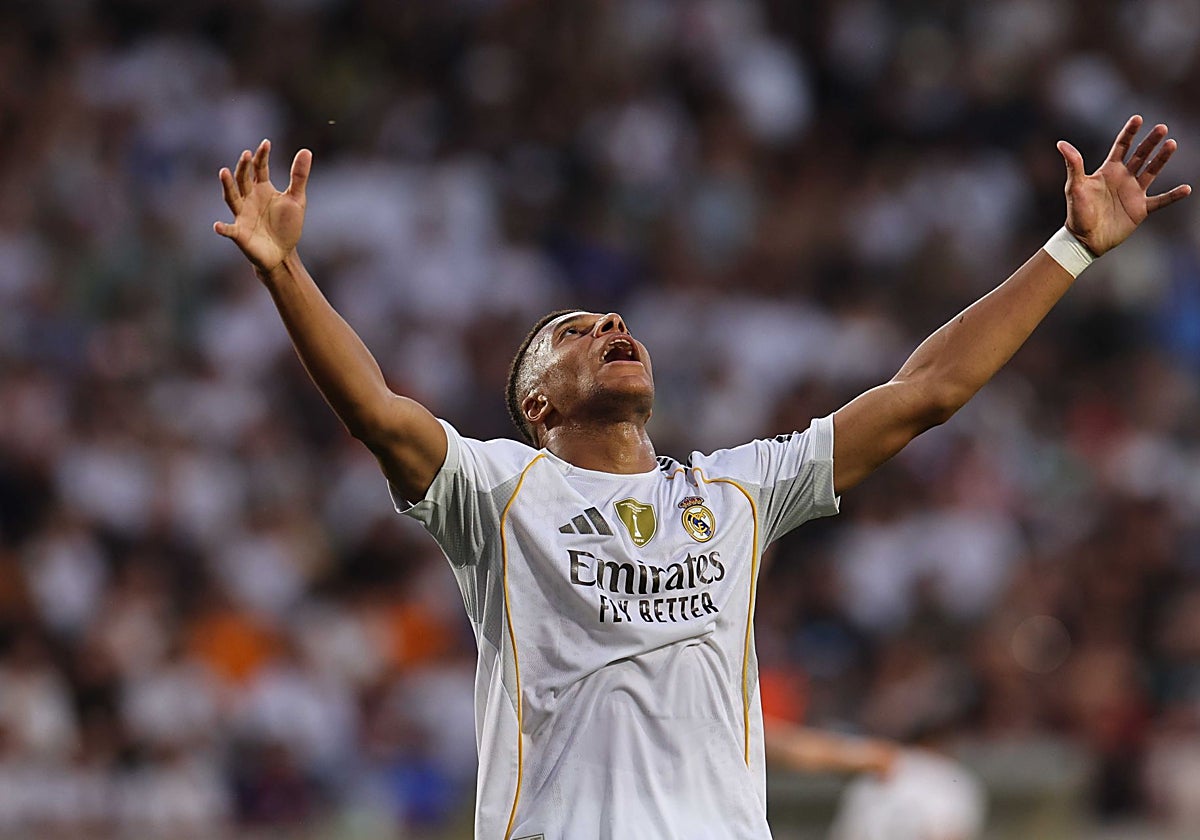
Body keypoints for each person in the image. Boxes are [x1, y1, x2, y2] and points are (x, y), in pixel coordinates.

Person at [214, 116, 1189, 840]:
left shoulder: (736, 494)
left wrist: (1069, 249)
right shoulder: (499, 493)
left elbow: (925, 390)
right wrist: (285, 272)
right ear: (537, 408)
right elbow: (378, 413)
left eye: (613, 322)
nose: (607, 329)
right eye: (572, 333)